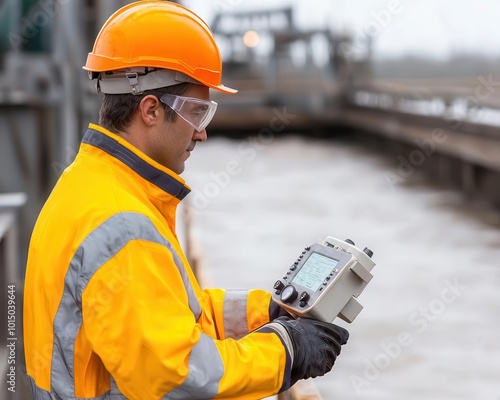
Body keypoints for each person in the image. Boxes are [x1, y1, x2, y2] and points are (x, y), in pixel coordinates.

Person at [23, 1, 349, 399]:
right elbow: (177, 378)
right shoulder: (124, 227)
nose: (202, 133)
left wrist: (267, 313)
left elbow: (170, 316)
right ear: (150, 110)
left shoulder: (86, 184)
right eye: (198, 112)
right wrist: (287, 350)